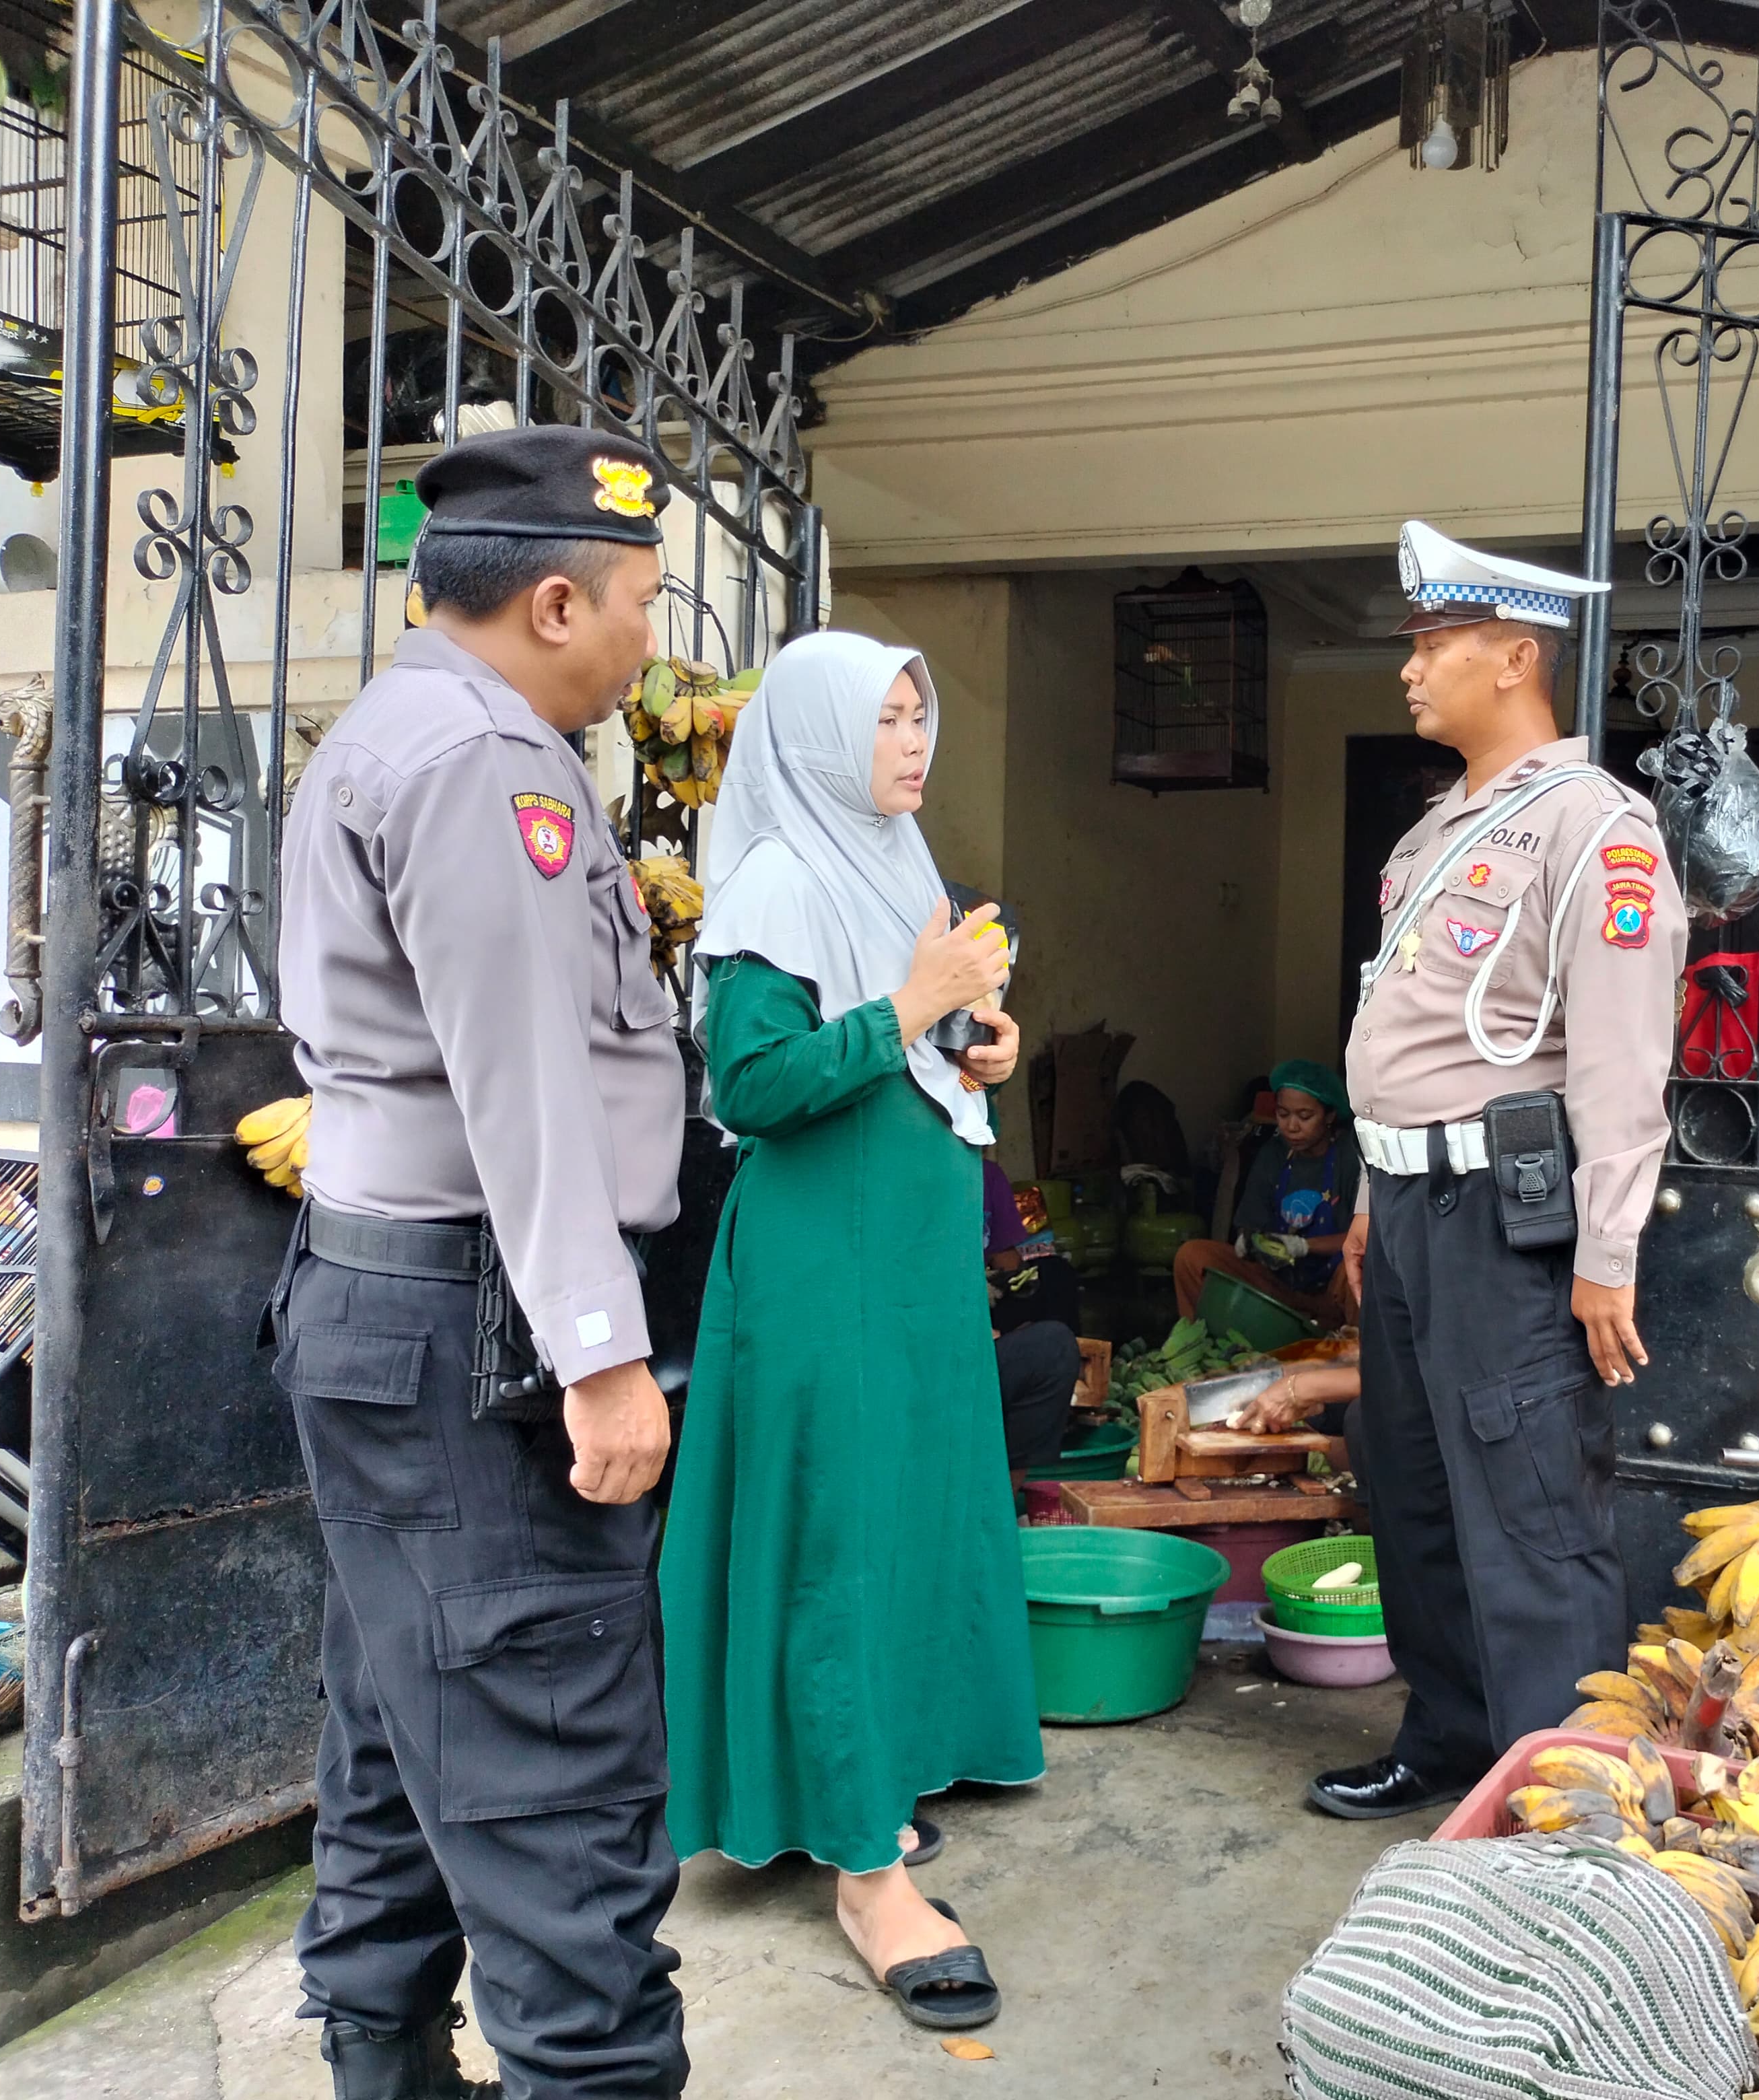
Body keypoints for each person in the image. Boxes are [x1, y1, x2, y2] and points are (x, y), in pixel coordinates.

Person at [271, 424, 688, 2099]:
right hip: (479, 1319)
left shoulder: (405, 725)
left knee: (399, 1722)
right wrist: (601, 1349)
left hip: (396, 1299)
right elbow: (523, 1078)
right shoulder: (486, 762)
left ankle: (383, 2061)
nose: (652, 637)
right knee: (556, 1778)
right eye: (642, 599)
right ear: (556, 603)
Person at [657, 631, 1041, 2037]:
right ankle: (869, 1881)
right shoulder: (777, 878)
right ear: (818, 736)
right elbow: (754, 1085)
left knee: (907, 1509)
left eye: (918, 715)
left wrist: (978, 1041)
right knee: (838, 1527)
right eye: (884, 719)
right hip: (829, 1260)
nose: (912, 741)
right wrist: (912, 1009)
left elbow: (916, 1042)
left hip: (909, 1256)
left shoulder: (895, 865)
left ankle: (858, 1775)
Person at [1301, 522, 1684, 1822]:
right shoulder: (1434, 837)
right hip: (1411, 1204)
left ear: (1515, 657)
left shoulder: (1596, 829)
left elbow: (1623, 1060)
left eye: (1435, 644)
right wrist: (1370, 1200)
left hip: (1502, 1216)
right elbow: (1399, 1042)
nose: (1411, 670)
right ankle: (1453, 1740)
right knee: (1412, 1489)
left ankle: (1564, 1800)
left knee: (1529, 1507)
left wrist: (1606, 1252)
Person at [1173, 1060, 1362, 1329]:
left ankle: (1355, 1347)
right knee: (1192, 1256)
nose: (1292, 1126)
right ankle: (1201, 1342)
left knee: (1363, 1266)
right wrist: (1249, 1241)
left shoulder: (1349, 1157)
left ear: (1330, 1115)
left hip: (1333, 1291)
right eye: (1283, 1114)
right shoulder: (1273, 1154)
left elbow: (1363, 1237)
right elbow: (1251, 1222)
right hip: (1278, 1286)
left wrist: (1304, 1246)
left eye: (1305, 1116)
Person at [985, 1159, 1084, 1483]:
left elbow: (1008, 1260)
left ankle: (1065, 1402)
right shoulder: (902, 1180)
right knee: (1051, 1347)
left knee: (1056, 1274)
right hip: (934, 1334)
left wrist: (1013, 1285)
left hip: (983, 1302)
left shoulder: (987, 1176)